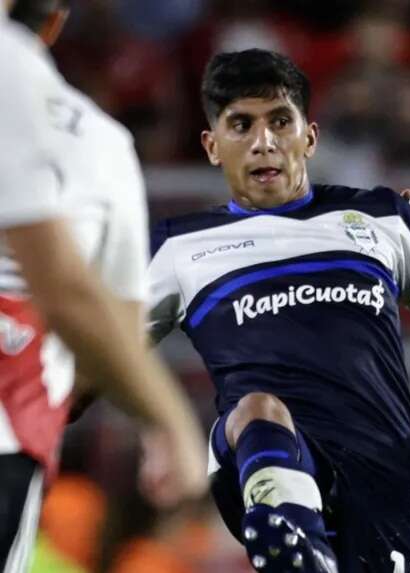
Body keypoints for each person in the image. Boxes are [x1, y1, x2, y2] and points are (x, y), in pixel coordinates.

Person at [147, 48, 410, 573]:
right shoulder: (178, 247)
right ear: (212, 145)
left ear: (309, 137)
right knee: (256, 410)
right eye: (241, 125)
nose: (264, 142)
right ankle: (295, 537)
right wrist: (157, 430)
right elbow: (97, 357)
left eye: (279, 122)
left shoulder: (385, 219)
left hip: (388, 485)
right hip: (265, 459)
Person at [0, 1, 207, 571]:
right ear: (55, 24)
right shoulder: (100, 141)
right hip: (12, 424)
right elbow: (85, 305)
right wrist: (168, 420)